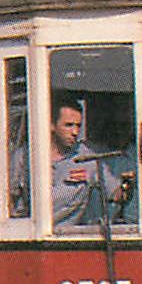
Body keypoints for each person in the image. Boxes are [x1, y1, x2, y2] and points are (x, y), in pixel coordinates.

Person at [49, 93, 132, 231]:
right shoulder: (24, 157)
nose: (75, 132)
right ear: (52, 125)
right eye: (68, 125)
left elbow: (116, 194)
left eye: (78, 126)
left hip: (63, 240)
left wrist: (128, 184)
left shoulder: (88, 159)